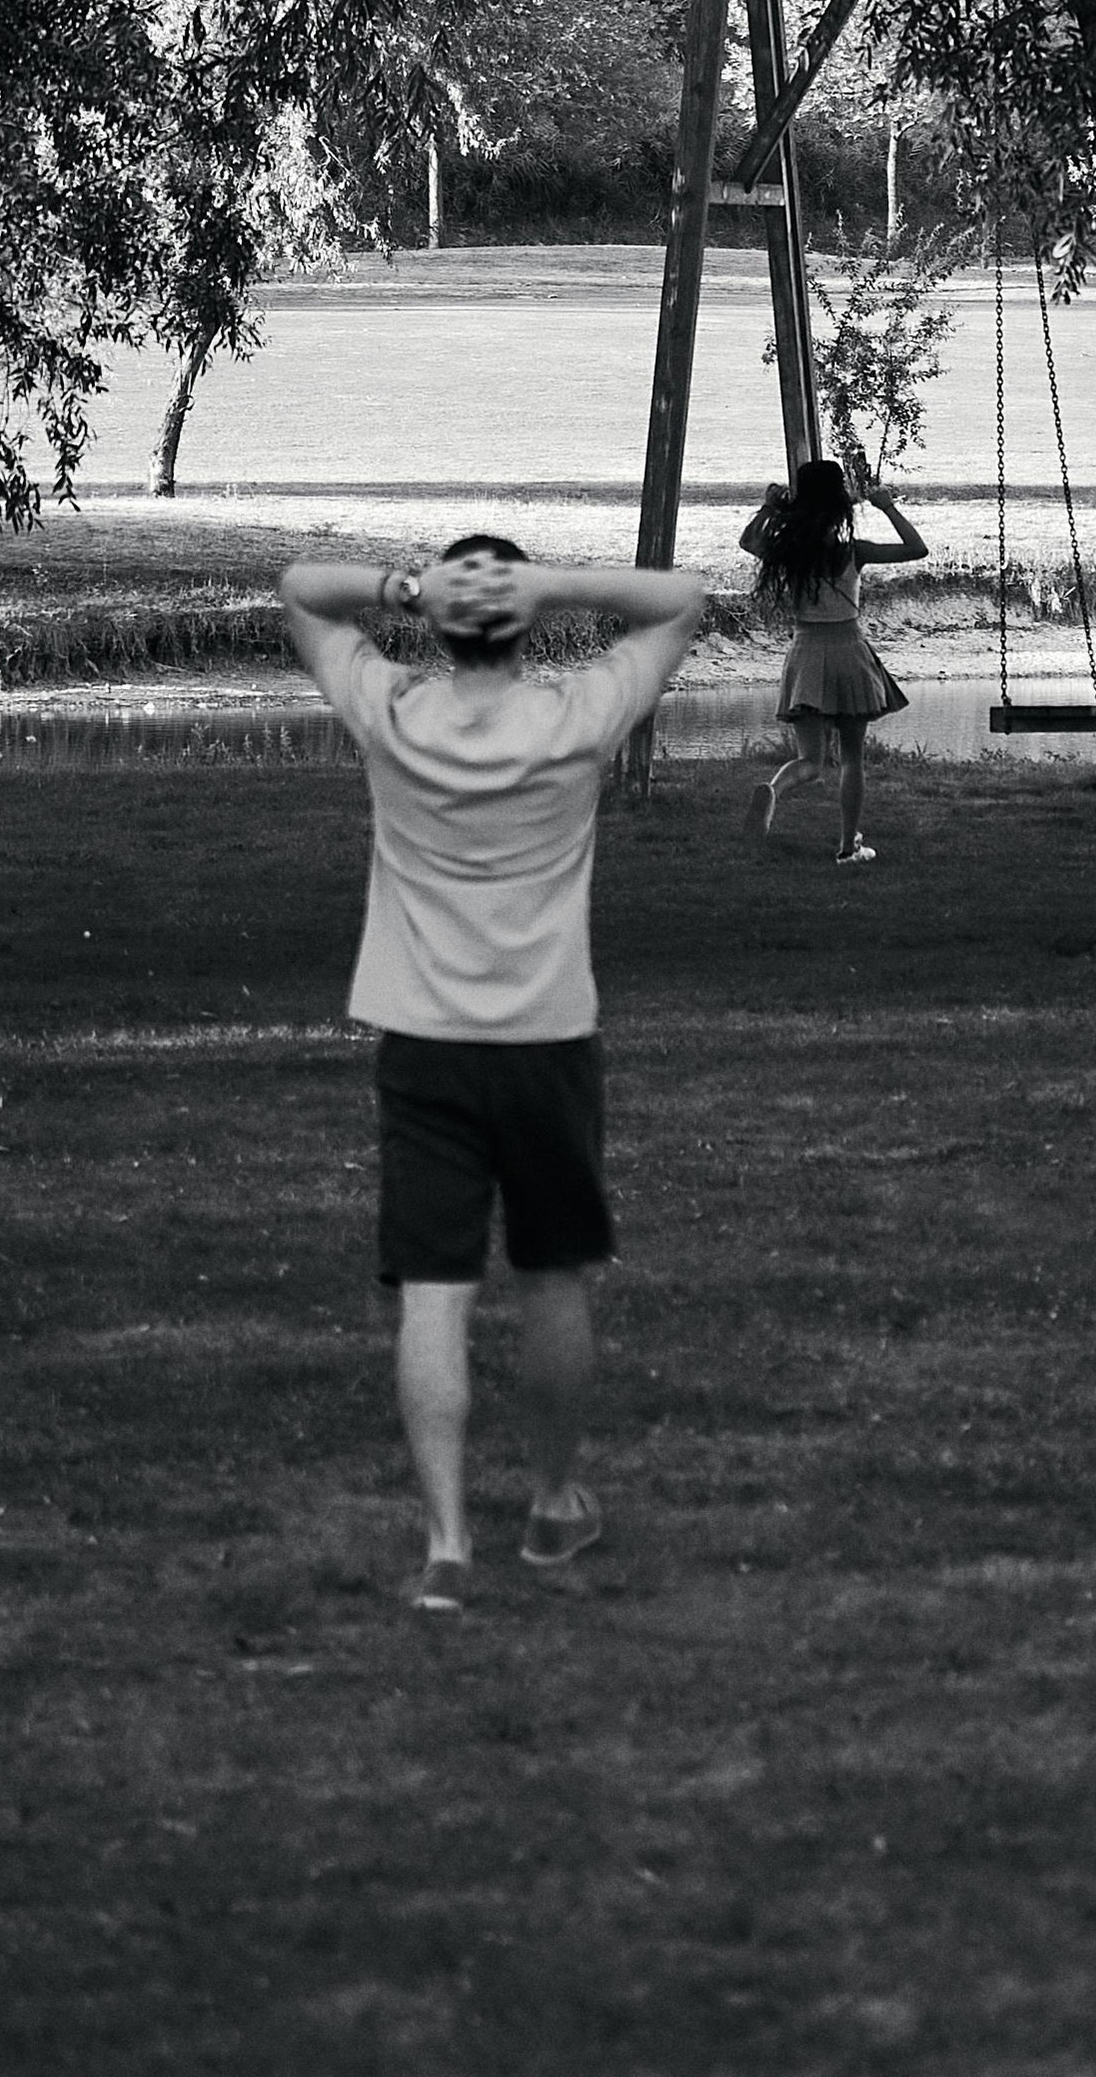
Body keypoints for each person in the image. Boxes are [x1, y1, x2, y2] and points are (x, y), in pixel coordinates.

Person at [280, 530, 707, 1616]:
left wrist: (405, 589)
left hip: (423, 1048)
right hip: (548, 1046)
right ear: (520, 624)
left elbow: (301, 591)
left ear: (440, 626)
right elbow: (679, 600)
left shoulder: (394, 714)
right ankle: (554, 1504)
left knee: (435, 1294)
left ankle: (447, 1546)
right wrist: (550, 584)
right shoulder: (576, 718)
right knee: (554, 1278)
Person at [737, 448, 928, 864]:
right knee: (852, 758)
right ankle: (846, 847)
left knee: (809, 760)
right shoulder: (852, 552)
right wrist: (886, 506)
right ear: (839, 505)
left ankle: (773, 790)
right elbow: (917, 549)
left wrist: (769, 508)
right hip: (848, 653)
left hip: (805, 654)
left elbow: (748, 541)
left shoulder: (788, 553)